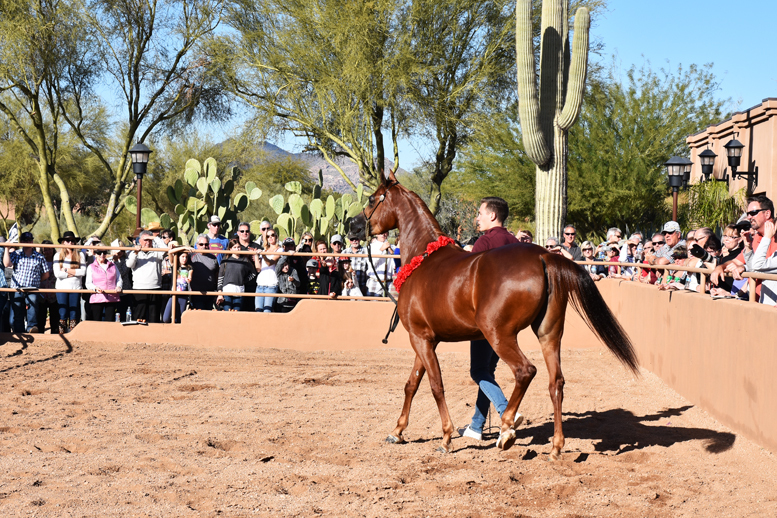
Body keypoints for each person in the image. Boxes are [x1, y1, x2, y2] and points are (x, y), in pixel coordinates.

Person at [458, 196, 521, 442]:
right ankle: (476, 426)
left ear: (492, 216)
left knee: (478, 370)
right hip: (512, 318)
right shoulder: (515, 242)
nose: (478, 217)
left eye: (481, 213)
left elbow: (468, 279)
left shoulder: (484, 242)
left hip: (486, 317)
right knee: (488, 371)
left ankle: (507, 411)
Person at [3, 231, 50, 333]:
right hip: (17, 288)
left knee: (32, 309)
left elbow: (46, 274)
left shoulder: (39, 257)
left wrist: (36, 281)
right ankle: (20, 332)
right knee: (18, 312)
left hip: (32, 288)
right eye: (25, 240)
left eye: (29, 240)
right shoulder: (16, 254)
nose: (28, 242)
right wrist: (6, 248)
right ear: (21, 241)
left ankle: (31, 328)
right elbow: (7, 264)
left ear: (32, 241)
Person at [126, 230, 166, 322]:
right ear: (139, 241)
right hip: (139, 289)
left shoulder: (157, 252)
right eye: (145, 240)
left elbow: (165, 249)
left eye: (150, 240)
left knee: (154, 318)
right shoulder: (134, 253)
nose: (148, 242)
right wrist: (135, 252)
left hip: (155, 288)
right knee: (138, 318)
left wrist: (155, 238)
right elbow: (129, 264)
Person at [53, 231, 86, 333]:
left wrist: (66, 270)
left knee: (74, 313)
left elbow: (83, 272)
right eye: (68, 240)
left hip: (75, 288)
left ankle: (73, 334)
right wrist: (74, 273)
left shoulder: (80, 255)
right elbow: (57, 274)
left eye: (72, 241)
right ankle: (62, 335)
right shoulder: (58, 255)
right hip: (61, 288)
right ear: (63, 242)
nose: (70, 242)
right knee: (62, 313)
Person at [216, 239, 257, 311]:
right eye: (234, 247)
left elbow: (253, 273)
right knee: (227, 311)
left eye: (238, 247)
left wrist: (244, 280)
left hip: (239, 290)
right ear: (230, 248)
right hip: (227, 290)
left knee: (237, 312)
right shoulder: (225, 260)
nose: (237, 249)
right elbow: (220, 276)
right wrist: (220, 292)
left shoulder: (245, 260)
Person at [85, 247, 123, 321]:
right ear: (95, 254)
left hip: (112, 297)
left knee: (110, 321)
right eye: (99, 253)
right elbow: (88, 283)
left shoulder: (113, 265)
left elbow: (119, 279)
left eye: (104, 252)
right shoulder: (91, 267)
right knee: (96, 321)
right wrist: (95, 288)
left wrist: (118, 286)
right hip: (97, 297)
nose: (102, 255)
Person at [189, 234, 219, 310]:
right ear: (197, 245)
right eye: (201, 244)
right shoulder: (191, 256)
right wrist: (187, 247)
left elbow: (217, 275)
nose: (204, 246)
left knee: (208, 315)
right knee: (199, 314)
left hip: (210, 293)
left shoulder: (213, 258)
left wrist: (217, 291)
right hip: (197, 293)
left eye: (206, 244)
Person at [236, 222, 261, 310]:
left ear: (250, 233)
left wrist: (257, 258)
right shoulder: (235, 247)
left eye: (247, 231)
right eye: (242, 231)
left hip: (253, 284)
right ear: (238, 233)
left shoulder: (257, 247)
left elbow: (262, 265)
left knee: (251, 310)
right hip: (238, 283)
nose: (244, 233)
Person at [255, 228, 280, 312]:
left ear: (276, 236)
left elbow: (270, 263)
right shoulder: (264, 250)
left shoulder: (279, 250)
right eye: (268, 236)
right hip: (260, 284)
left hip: (271, 285)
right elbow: (258, 268)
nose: (270, 237)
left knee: (267, 312)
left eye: (272, 235)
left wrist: (264, 255)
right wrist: (256, 255)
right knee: (258, 311)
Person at [162, 251, 192, 323]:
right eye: (182, 256)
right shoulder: (175, 266)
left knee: (180, 319)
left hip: (183, 295)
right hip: (173, 294)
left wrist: (189, 279)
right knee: (166, 318)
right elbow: (170, 252)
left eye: (186, 257)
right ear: (178, 257)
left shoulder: (189, 267)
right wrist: (184, 248)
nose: (184, 259)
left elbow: (190, 276)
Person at [39, 240, 60, 333]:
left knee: (55, 317)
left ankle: (55, 335)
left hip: (54, 294)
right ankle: (40, 336)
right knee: (41, 317)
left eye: (50, 249)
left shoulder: (58, 262)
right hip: (41, 294)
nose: (48, 251)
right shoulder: (39, 261)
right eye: (45, 250)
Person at [365, 232, 394, 297]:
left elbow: (395, 264)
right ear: (376, 234)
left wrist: (391, 252)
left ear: (388, 233)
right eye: (381, 233)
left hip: (389, 283)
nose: (383, 235)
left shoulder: (392, 247)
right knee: (373, 306)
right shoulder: (371, 247)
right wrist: (381, 250)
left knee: (390, 306)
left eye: (385, 232)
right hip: (375, 282)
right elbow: (371, 264)